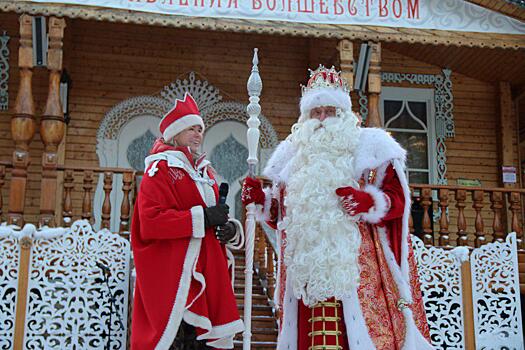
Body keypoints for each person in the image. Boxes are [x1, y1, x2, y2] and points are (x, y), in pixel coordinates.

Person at [241, 66, 433, 350]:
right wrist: (261, 200)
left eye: (329, 111)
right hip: (305, 271)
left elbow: (398, 200)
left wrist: (368, 201)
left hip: (357, 270)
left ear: (343, 114)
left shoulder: (372, 149)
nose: (321, 119)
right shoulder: (292, 158)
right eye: (315, 112)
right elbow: (282, 216)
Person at [131, 92, 244, 350]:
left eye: (200, 129)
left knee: (200, 343)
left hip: (206, 269)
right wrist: (202, 217)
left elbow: (212, 221)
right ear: (175, 133)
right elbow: (150, 221)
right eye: (191, 128)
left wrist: (228, 229)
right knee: (176, 340)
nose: (198, 134)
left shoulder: (204, 172)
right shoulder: (160, 169)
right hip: (174, 273)